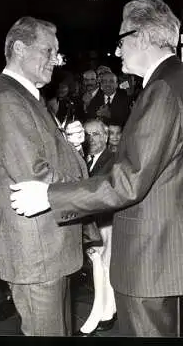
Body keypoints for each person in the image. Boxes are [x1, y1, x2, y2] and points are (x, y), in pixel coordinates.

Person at [9, 0, 183, 337]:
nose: (118, 52)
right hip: (164, 245)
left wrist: (50, 196)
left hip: (152, 251)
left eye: (121, 40)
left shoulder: (163, 89)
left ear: (143, 37)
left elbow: (129, 180)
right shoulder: (179, 82)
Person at [0, 16, 90, 336]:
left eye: (57, 52)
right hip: (37, 251)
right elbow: (36, 175)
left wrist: (71, 148)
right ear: (18, 48)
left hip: (47, 247)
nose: (55, 60)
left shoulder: (27, 97)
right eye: (48, 50)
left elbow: (46, 163)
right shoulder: (7, 100)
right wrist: (81, 169)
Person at [76, 119, 117, 336]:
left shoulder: (113, 160)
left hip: (107, 221)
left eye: (97, 134)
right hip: (93, 220)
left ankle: (103, 313)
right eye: (88, 135)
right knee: (99, 267)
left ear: (107, 136)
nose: (92, 139)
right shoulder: (84, 158)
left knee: (103, 267)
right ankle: (106, 311)